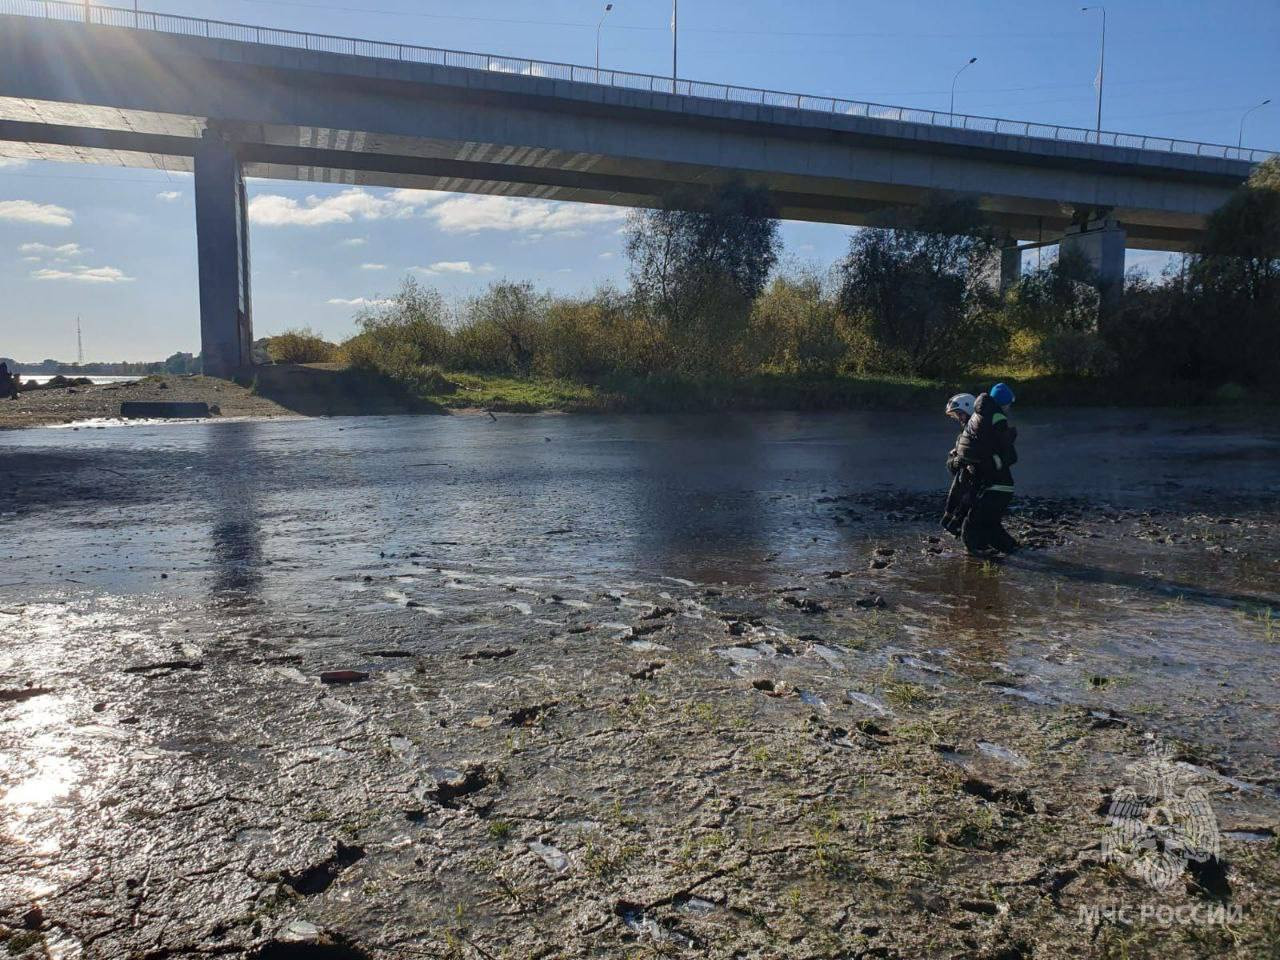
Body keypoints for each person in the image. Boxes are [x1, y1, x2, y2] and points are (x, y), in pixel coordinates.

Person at [954, 382, 1019, 555]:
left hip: (995, 483)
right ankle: (1005, 550)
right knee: (984, 522)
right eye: (1009, 404)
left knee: (983, 521)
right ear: (1004, 403)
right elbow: (1006, 450)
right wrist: (1009, 439)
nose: (1009, 408)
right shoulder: (997, 416)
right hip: (999, 484)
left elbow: (984, 444)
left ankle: (989, 554)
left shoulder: (978, 414)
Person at [941, 393, 976, 536]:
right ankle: (951, 516)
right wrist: (955, 461)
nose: (959, 419)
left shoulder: (977, 433)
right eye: (956, 416)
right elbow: (954, 468)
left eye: (960, 414)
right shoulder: (962, 436)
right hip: (964, 483)